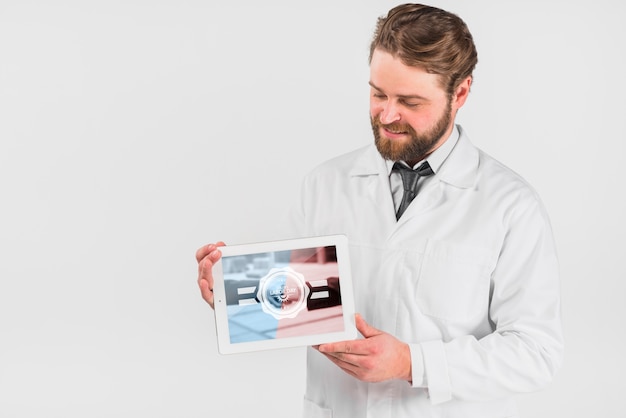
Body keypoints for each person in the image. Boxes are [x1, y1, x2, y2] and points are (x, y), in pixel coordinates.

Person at [196, 3, 563, 417]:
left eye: (409, 101)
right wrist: (235, 295)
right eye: (378, 94)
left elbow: (536, 352)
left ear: (460, 93)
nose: (388, 115)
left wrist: (412, 363)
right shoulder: (326, 184)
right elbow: (298, 303)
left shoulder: (510, 206)